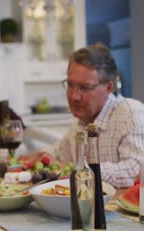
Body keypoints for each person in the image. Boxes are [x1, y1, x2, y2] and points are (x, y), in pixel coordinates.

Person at [21, 43, 144, 188]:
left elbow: (136, 169)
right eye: (70, 85)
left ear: (109, 87)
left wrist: (80, 170)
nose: (74, 96)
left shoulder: (131, 112)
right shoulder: (81, 122)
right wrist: (41, 156)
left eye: (84, 88)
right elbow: (60, 151)